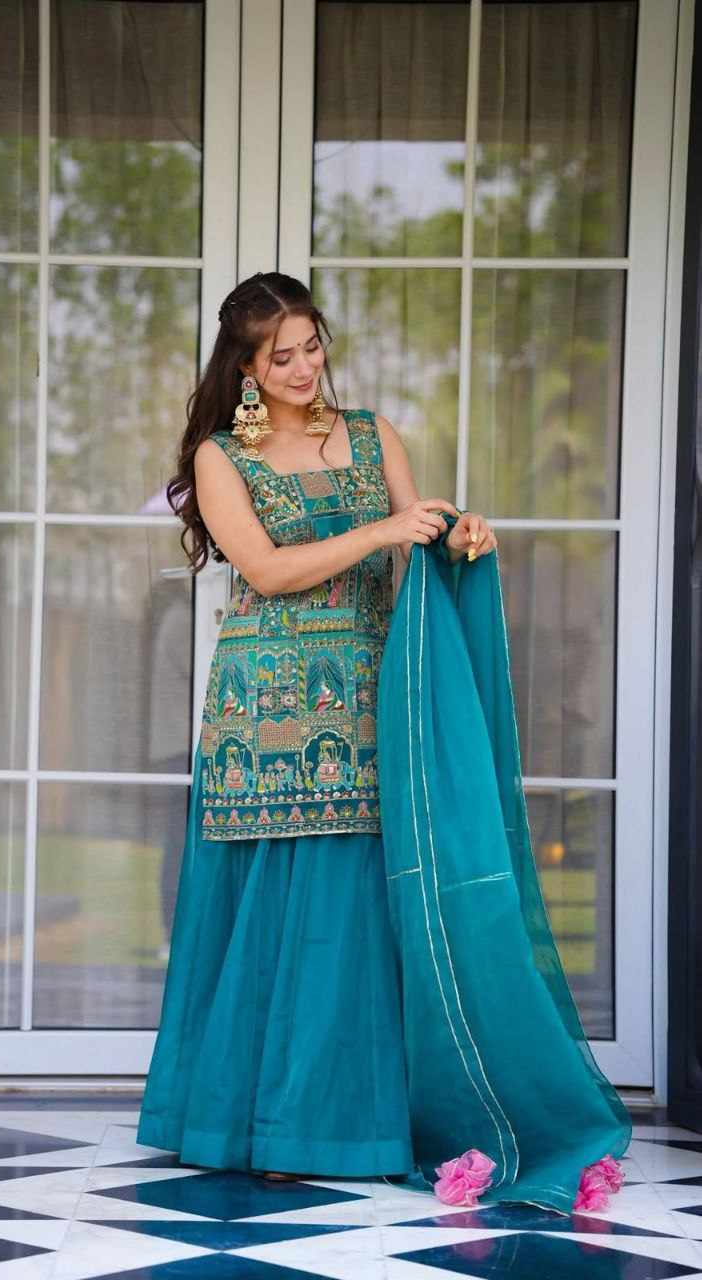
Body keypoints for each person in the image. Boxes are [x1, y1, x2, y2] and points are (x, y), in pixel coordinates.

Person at [136, 271, 632, 1214]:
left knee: (360, 904)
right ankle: (269, 1126)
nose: (303, 368)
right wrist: (384, 531)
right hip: (266, 708)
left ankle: (348, 1121)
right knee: (278, 911)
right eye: (281, 356)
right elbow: (267, 570)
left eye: (311, 346)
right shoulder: (221, 456)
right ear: (245, 369)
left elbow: (417, 537)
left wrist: (458, 535)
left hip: (370, 694)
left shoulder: (371, 434)